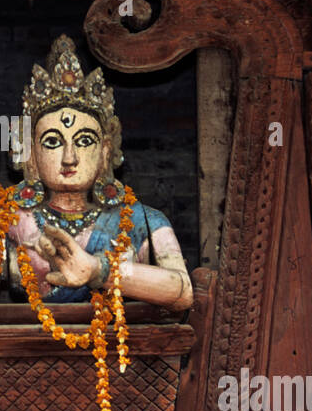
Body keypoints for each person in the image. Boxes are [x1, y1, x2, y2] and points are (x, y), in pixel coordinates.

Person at [10, 35, 193, 311]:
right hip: (29, 348)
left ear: (106, 152)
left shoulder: (142, 220)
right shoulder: (10, 221)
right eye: (52, 142)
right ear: (31, 156)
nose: (69, 158)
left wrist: (99, 270)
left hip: (119, 349)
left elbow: (183, 291)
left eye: (84, 141)